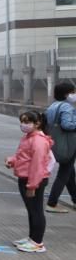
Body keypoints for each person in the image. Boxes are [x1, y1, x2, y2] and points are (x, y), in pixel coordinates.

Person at [6, 110, 54, 253]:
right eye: (22, 121)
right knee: (31, 210)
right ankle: (32, 238)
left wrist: (32, 185)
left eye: (27, 122)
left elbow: (37, 165)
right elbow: (24, 156)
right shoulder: (28, 137)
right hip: (25, 177)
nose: (23, 125)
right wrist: (12, 161)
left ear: (37, 123)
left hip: (34, 180)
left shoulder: (38, 140)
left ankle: (38, 242)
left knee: (36, 210)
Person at [44, 82, 76, 214]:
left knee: (69, 172)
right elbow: (67, 125)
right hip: (68, 143)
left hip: (56, 143)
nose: (74, 95)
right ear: (66, 94)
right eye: (73, 92)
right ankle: (52, 202)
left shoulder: (52, 106)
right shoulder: (67, 107)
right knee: (64, 173)